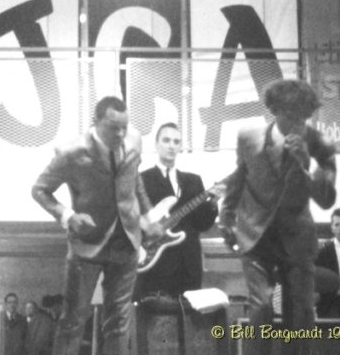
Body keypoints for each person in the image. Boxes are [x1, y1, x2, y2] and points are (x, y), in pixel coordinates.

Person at [31, 96, 162, 355]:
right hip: (87, 244)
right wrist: (68, 216)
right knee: (73, 321)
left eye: (124, 126)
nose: (121, 133)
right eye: (114, 127)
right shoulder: (70, 152)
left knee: (119, 322)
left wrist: (149, 216)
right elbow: (39, 190)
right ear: (96, 122)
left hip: (127, 241)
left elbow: (134, 180)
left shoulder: (134, 139)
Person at [218, 79, 337, 355]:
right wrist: (225, 217)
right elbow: (239, 177)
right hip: (255, 233)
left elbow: (326, 199)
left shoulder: (320, 144)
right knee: (260, 305)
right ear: (274, 110)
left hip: (296, 236)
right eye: (291, 116)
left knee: (302, 308)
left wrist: (306, 164)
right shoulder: (248, 138)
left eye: (304, 117)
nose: (298, 123)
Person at [135, 122, 218, 299]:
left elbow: (202, 224)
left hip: (189, 261)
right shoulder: (142, 179)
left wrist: (212, 204)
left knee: (189, 316)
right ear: (156, 144)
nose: (171, 146)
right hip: (156, 261)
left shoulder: (194, 181)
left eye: (176, 142)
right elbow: (132, 216)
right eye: (166, 140)